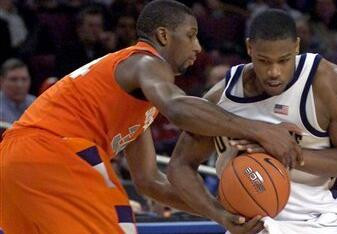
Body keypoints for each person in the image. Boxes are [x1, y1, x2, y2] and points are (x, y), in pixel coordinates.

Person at [0, 1, 302, 234]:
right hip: (54, 153)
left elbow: (149, 181)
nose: (198, 46)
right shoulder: (144, 61)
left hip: (14, 164)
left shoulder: (136, 98)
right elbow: (179, 108)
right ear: (163, 36)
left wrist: (222, 212)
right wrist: (261, 130)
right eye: (191, 35)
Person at [168, 9, 337, 234]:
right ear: (249, 48)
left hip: (318, 220)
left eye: (283, 60)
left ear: (296, 47)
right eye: (263, 61)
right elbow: (180, 165)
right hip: (252, 223)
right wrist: (219, 215)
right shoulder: (222, 96)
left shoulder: (328, 82)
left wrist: (285, 153)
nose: (274, 72)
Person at [0, 58, 35, 124]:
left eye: (24, 79)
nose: (19, 85)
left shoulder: (35, 103)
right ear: (1, 81)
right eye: (13, 79)